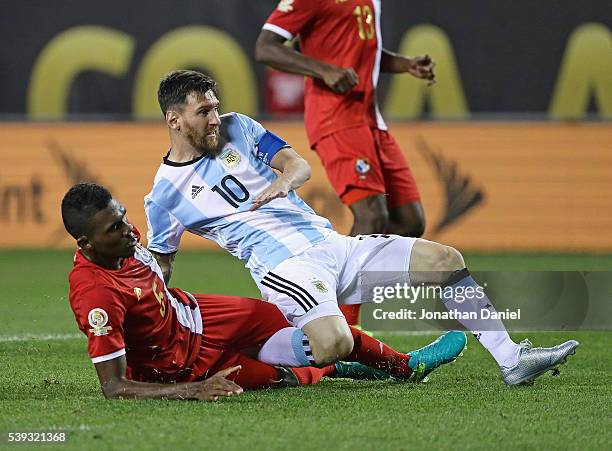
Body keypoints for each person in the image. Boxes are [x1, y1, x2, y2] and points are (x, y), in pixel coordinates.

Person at [145, 70, 578, 386]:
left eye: (215, 106)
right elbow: (162, 266)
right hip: (286, 269)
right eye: (204, 112)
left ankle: (511, 360)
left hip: (332, 246)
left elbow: (297, 165)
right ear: (174, 120)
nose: (215, 117)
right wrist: (154, 323)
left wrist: (283, 182)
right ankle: (269, 352)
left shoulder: (239, 127)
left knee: (445, 260)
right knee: (333, 344)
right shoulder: (164, 195)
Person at [63, 183, 465, 401]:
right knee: (291, 375)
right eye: (113, 229)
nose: (128, 231)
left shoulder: (125, 240)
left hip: (200, 313)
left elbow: (155, 270)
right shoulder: (95, 295)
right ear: (86, 244)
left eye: (123, 217)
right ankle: (399, 366)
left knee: (288, 323)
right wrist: (194, 390)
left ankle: (368, 362)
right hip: (178, 364)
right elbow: (114, 387)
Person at [255, 0, 434, 326]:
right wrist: (324, 69)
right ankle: (346, 332)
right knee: (371, 216)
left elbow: (361, 53)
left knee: (409, 222)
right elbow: (266, 47)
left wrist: (405, 64)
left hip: (370, 120)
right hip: (335, 117)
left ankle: (316, 286)